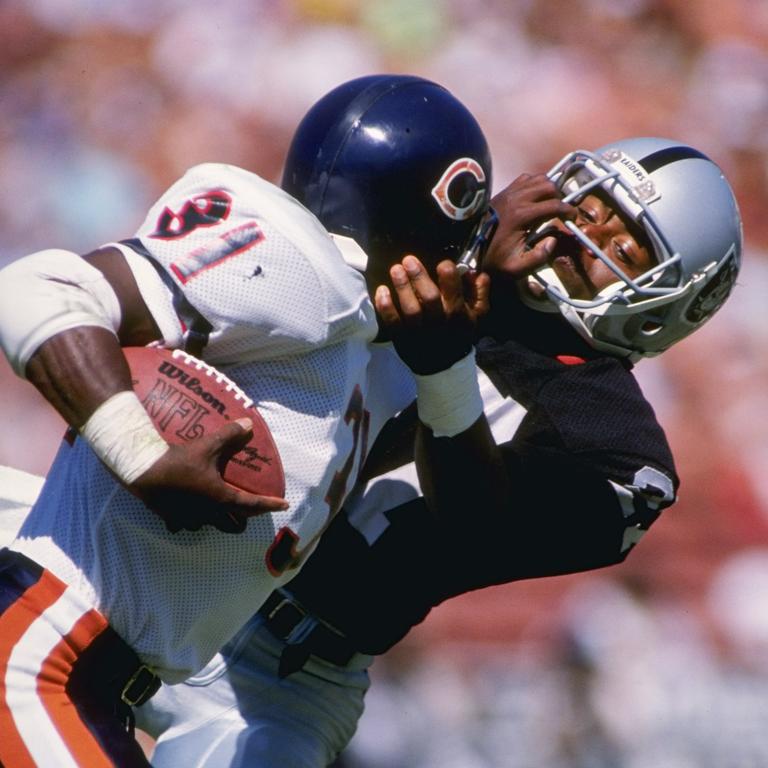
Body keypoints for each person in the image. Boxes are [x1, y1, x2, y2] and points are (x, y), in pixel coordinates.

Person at [135, 136, 744, 767]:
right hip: (170, 559)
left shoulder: (615, 445)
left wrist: (446, 366)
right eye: (590, 207)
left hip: (279, 676)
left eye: (620, 246)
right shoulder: (440, 242)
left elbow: (476, 521)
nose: (579, 236)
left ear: (664, 304)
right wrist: (461, 247)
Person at [0, 74, 507, 766]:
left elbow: (475, 523)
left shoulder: (370, 348)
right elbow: (38, 288)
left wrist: (446, 366)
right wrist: (138, 452)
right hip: (36, 653)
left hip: (95, 680)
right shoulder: (304, 268)